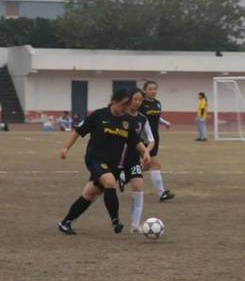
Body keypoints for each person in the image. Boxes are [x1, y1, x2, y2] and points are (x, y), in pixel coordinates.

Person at [58, 88, 151, 235]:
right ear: (114, 101)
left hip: (112, 164)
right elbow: (78, 131)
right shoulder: (99, 115)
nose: (124, 109)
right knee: (109, 182)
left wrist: (145, 153)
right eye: (122, 105)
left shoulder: (127, 121)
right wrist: (66, 148)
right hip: (95, 159)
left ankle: (65, 222)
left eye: (126, 107)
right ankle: (115, 221)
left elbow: (135, 141)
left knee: (89, 194)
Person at [119, 88, 155, 232]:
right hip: (116, 159)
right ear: (129, 100)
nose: (137, 102)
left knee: (139, 187)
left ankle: (135, 225)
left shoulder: (142, 119)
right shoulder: (120, 116)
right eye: (135, 99)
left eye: (140, 100)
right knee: (98, 190)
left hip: (133, 158)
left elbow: (151, 140)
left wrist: (146, 153)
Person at [139, 80, 174, 201]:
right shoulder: (140, 104)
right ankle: (162, 193)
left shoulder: (158, 103)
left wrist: (165, 123)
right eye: (150, 89)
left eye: (155, 89)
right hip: (143, 139)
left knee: (147, 166)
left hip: (154, 137)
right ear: (145, 90)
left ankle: (124, 176)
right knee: (155, 164)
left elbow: (157, 117)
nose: (153, 91)